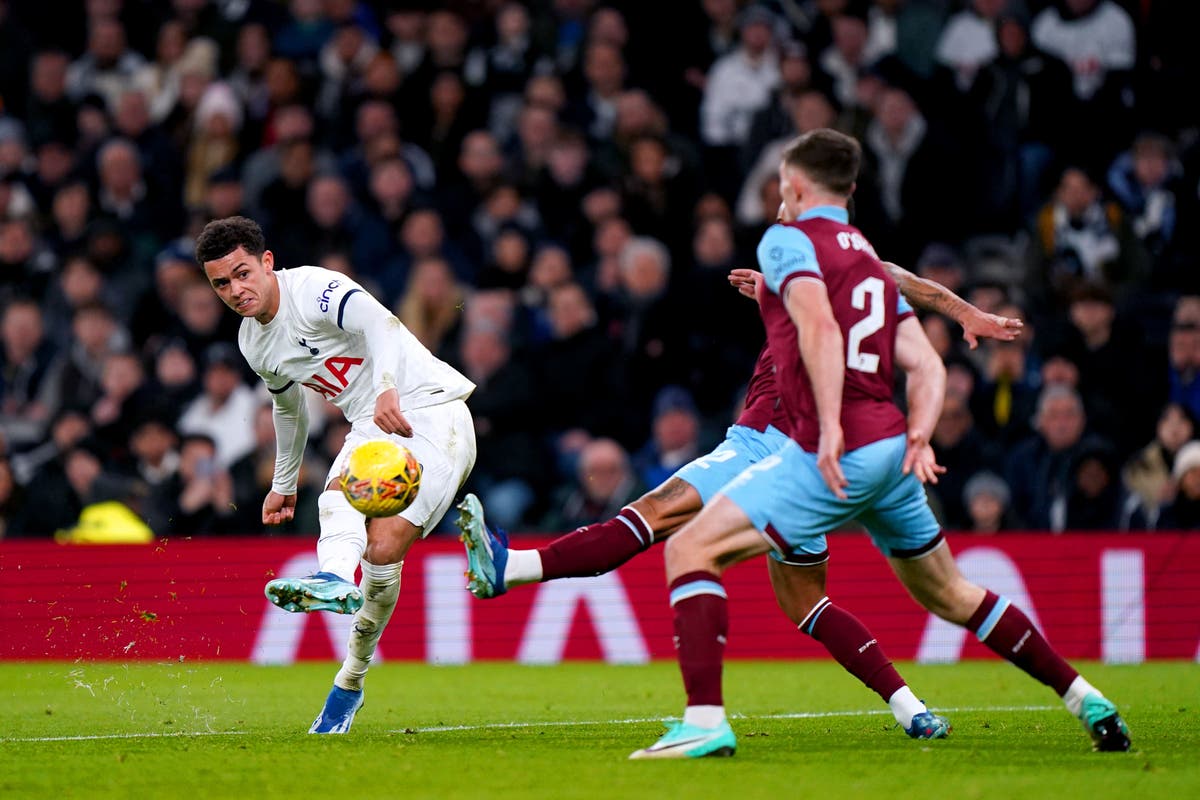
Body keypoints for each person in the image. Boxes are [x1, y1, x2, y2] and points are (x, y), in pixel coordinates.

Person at [555, 128, 1123, 758]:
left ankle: (706, 721)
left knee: (690, 547)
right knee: (954, 595)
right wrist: (922, 431)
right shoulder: (866, 266)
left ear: (796, 188)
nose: (778, 201)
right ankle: (1084, 696)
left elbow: (821, 332)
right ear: (850, 190)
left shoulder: (786, 242)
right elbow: (927, 366)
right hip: (889, 451)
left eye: (780, 189)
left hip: (833, 449)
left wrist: (826, 426)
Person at [457, 189, 1024, 747]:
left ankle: (514, 569)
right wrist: (963, 311)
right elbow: (893, 288)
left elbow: (898, 282)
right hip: (807, 460)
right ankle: (912, 708)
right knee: (808, 604)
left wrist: (963, 311)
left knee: (654, 517)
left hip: (763, 444)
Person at [194, 216, 476, 734]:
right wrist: (283, 481)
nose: (236, 290)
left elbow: (381, 325)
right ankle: (340, 624)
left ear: (267, 262)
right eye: (221, 284)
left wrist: (387, 386)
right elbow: (289, 409)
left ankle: (350, 666)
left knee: (374, 534)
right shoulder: (254, 344)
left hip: (431, 410)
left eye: (242, 274)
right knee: (368, 538)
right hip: (373, 424)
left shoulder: (317, 289)